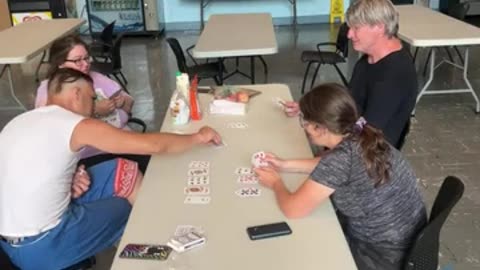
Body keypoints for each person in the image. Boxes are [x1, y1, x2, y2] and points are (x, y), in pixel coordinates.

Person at [0, 68, 222, 270]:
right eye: (92, 97)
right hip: (43, 247)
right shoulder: (76, 124)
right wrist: (198, 137)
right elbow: (152, 146)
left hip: (10, 244)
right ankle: (151, 258)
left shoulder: (19, 121)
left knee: (121, 168)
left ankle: (149, 239)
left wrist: (68, 182)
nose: (93, 105)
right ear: (76, 94)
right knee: (127, 203)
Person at [255, 83, 426, 270]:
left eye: (305, 122)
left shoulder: (341, 160)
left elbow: (293, 210)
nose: (304, 127)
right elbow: (334, 169)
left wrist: (275, 182)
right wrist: (285, 164)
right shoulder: (362, 134)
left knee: (300, 251)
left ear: (320, 128)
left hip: (381, 255)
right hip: (408, 237)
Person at [284, 0, 418, 149]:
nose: (349, 34)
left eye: (356, 28)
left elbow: (365, 136)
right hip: (351, 145)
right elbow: (351, 102)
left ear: (379, 27)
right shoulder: (369, 58)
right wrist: (312, 110)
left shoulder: (395, 74)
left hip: (369, 157)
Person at [35, 34, 151, 173]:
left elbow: (129, 101)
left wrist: (122, 103)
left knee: (156, 163)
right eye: (78, 61)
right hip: (93, 154)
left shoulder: (96, 77)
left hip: (122, 140)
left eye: (86, 58)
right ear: (60, 64)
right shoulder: (50, 89)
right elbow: (54, 129)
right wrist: (94, 111)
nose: (85, 64)